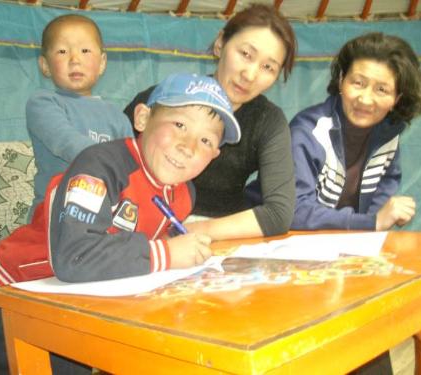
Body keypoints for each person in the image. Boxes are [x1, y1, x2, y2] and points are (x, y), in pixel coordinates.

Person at [0, 73, 240, 375]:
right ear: (143, 117)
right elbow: (74, 256)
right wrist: (164, 254)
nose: (188, 146)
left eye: (206, 140)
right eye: (179, 125)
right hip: (13, 294)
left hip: (80, 303)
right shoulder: (100, 167)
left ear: (215, 155)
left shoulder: (183, 194)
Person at [124, 4, 297, 240]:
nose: (250, 74)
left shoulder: (269, 121)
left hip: (219, 236)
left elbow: (278, 214)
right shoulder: (164, 99)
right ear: (220, 44)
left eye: (268, 67)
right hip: (144, 231)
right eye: (245, 54)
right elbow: (110, 170)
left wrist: (189, 233)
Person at [289, 32, 421, 231]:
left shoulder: (388, 134)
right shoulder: (307, 132)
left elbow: (387, 182)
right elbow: (294, 211)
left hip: (337, 246)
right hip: (274, 244)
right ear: (340, 81)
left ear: (397, 99)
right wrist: (372, 222)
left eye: (381, 90)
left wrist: (384, 216)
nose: (365, 99)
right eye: (358, 83)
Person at [26, 14, 133, 218]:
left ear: (102, 63)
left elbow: (132, 164)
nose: (75, 60)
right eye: (62, 51)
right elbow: (67, 143)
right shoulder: (43, 103)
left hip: (104, 216)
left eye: (85, 51)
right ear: (45, 65)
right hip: (54, 214)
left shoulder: (116, 116)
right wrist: (115, 162)